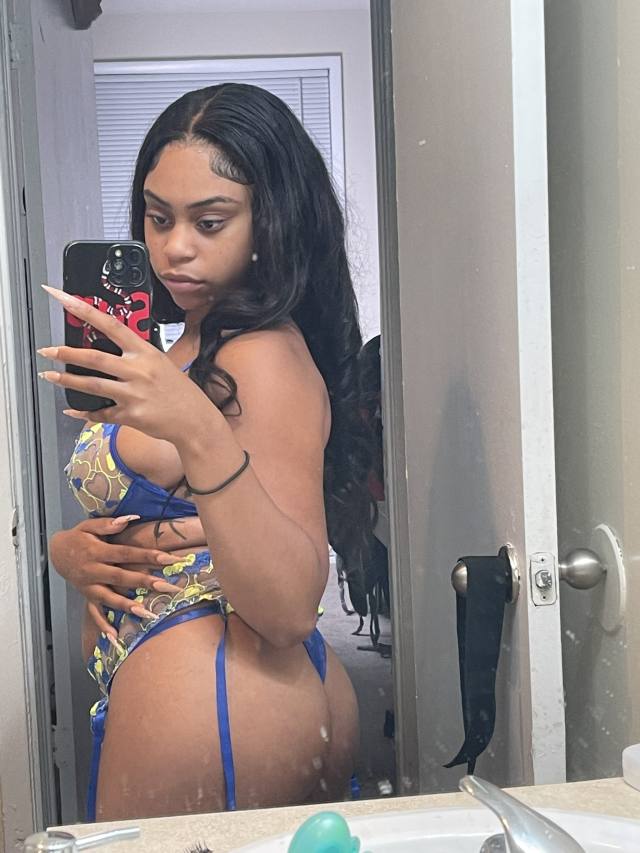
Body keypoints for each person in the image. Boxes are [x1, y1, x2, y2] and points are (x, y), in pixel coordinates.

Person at [41, 83, 374, 822]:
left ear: (272, 222)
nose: (175, 247)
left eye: (210, 221)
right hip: (206, 686)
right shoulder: (196, 345)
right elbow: (192, 514)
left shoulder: (262, 355)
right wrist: (73, 550)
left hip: (218, 690)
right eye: (158, 217)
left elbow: (288, 606)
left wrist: (197, 428)